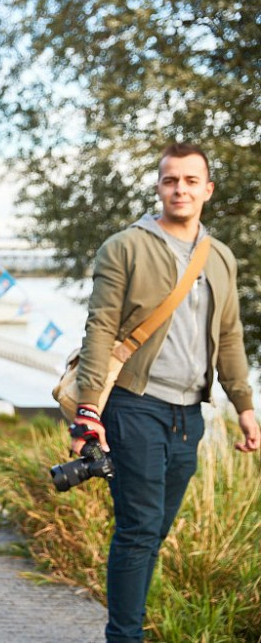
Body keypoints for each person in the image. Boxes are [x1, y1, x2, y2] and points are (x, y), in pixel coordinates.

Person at [71, 143, 259, 642]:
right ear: (158, 187)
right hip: (134, 405)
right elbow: (100, 328)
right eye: (171, 180)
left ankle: (127, 625)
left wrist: (244, 406)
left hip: (189, 416)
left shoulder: (220, 257)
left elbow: (231, 335)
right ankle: (125, 636)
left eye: (191, 181)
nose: (180, 189)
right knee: (138, 529)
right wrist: (88, 409)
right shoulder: (125, 247)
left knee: (154, 531)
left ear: (207, 189)